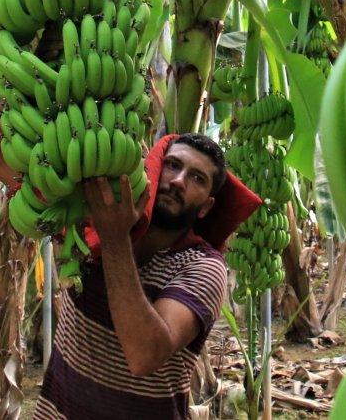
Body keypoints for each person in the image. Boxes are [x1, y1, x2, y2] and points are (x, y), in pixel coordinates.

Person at [33, 133, 232, 420]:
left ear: (206, 207)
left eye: (197, 178)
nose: (178, 181)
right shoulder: (88, 230)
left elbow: (144, 354)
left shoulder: (203, 267)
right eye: (173, 165)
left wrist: (115, 237)